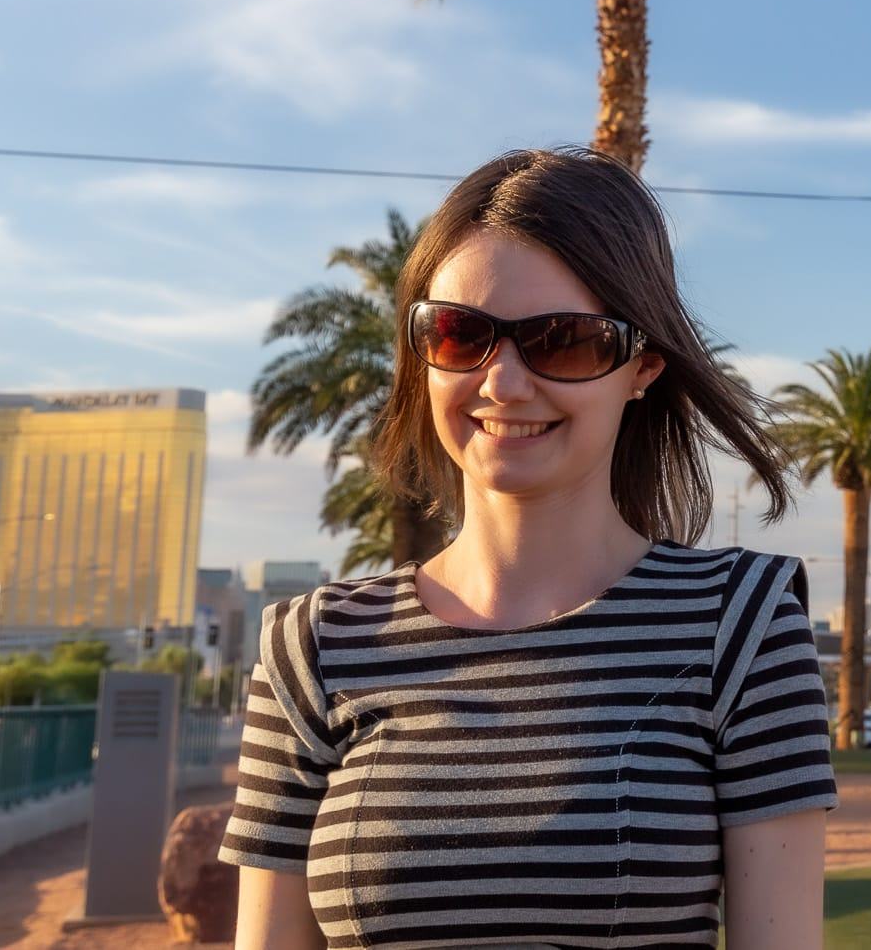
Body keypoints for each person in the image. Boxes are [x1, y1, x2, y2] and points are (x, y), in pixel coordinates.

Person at [218, 147, 835, 949]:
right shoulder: (312, 647)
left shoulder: (741, 628)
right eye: (458, 334)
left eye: (564, 341)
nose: (503, 381)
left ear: (642, 364)